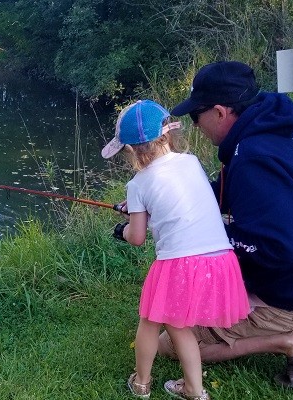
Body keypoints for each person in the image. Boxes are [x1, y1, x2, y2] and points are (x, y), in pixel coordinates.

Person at [158, 60, 293, 393]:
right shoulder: (272, 126)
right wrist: (166, 204)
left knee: (170, 342)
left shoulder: (255, 158)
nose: (195, 126)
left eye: (195, 117)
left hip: (292, 292)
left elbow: (277, 247)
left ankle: (292, 337)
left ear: (219, 112)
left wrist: (212, 237)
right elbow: (234, 194)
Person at [102, 99, 250, 399]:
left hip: (180, 264)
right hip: (219, 258)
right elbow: (177, 202)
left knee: (150, 320)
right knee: (179, 325)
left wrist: (125, 227)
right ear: (167, 134)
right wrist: (139, 210)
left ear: (129, 149)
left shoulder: (138, 184)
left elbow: (138, 237)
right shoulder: (192, 162)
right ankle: (194, 390)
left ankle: (141, 382)